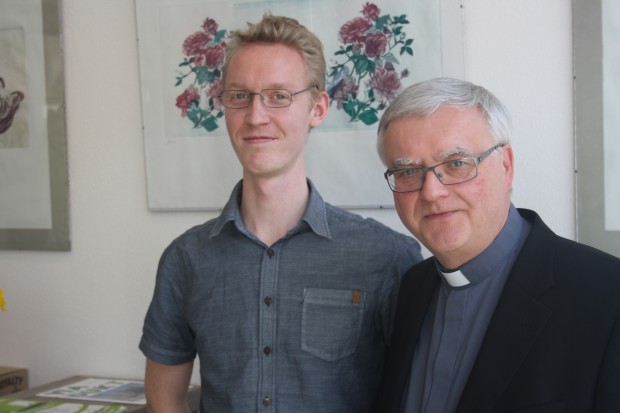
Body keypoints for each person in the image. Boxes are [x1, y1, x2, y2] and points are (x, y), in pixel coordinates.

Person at [139, 14, 423, 413]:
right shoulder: (185, 259)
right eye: (240, 95)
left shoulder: (388, 257)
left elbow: (416, 396)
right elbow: (164, 399)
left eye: (278, 96)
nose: (256, 116)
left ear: (318, 108)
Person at [376, 77, 620, 413]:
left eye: (457, 164)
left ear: (506, 166)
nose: (431, 191)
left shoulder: (608, 296)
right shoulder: (409, 288)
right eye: (407, 172)